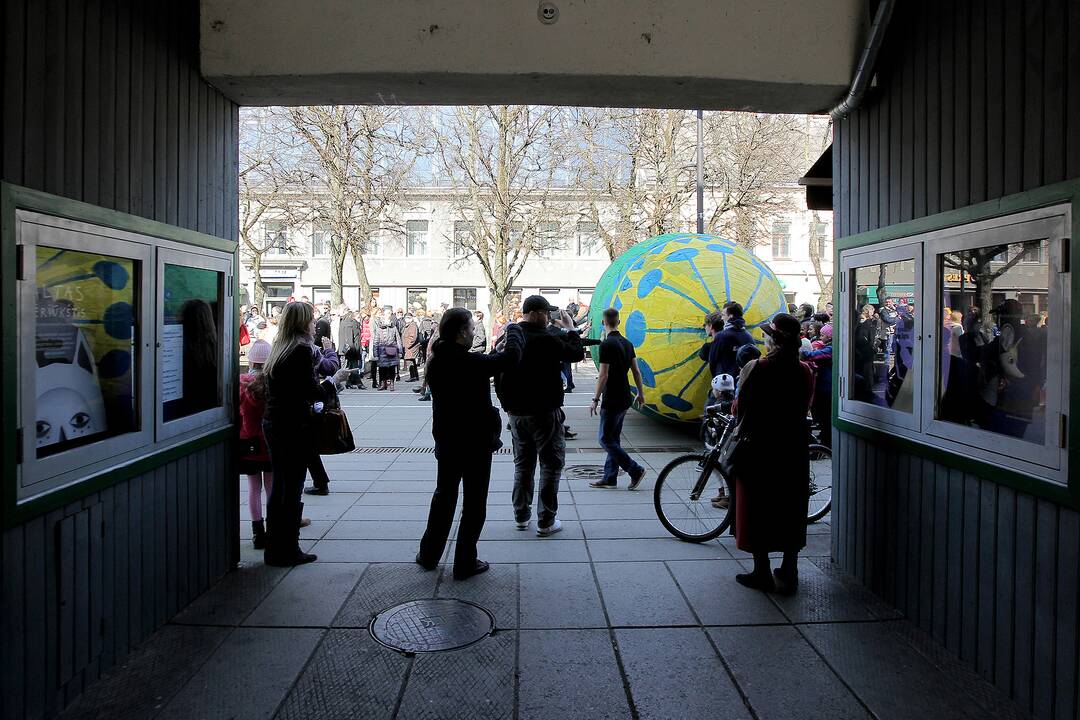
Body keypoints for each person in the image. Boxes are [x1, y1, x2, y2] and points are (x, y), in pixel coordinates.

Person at [416, 309, 525, 579]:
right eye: (471, 327)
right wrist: (513, 330)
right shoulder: (470, 362)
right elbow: (510, 358)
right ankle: (465, 561)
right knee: (474, 503)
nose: (474, 331)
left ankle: (429, 554)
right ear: (461, 332)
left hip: (447, 439)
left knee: (444, 496)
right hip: (475, 442)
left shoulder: (437, 360)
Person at [730, 313, 813, 594]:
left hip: (760, 448)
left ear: (773, 341)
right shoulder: (804, 370)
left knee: (757, 506)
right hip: (793, 448)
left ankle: (762, 571)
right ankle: (790, 568)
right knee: (791, 507)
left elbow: (742, 409)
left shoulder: (757, 368)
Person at [261, 301, 349, 566]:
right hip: (293, 426)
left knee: (280, 487)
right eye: (311, 319)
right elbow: (312, 391)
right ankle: (287, 549)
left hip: (275, 423)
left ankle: (275, 547)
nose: (314, 323)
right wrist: (336, 379)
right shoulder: (299, 351)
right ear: (303, 323)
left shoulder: (280, 348)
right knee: (291, 487)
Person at [496, 296, 584, 536]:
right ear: (534, 313)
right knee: (551, 464)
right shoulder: (546, 339)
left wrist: (507, 406)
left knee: (522, 465)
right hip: (544, 413)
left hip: (517, 414)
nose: (548, 318)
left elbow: (499, 376)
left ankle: (521, 516)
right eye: (546, 313)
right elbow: (576, 353)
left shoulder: (511, 337)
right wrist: (571, 328)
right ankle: (546, 520)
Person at [587, 308, 647, 490]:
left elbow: (603, 375)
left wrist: (595, 398)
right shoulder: (628, 344)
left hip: (612, 397)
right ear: (619, 322)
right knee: (614, 438)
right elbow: (636, 371)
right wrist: (641, 393)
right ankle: (610, 477)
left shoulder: (606, 345)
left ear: (604, 323)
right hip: (625, 396)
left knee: (605, 439)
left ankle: (634, 469)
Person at [239, 339, 273, 550]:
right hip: (268, 441)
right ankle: (273, 527)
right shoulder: (272, 385)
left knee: (253, 487)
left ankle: (257, 530)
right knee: (271, 486)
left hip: (248, 441)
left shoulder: (242, 384)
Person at [699, 302, 754, 382]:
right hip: (744, 382)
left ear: (730, 316)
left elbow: (713, 363)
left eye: (723, 315)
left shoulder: (722, 337)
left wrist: (717, 384)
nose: (722, 318)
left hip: (725, 383)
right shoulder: (748, 336)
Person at [801, 322, 833, 447]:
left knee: (825, 415)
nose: (820, 337)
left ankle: (826, 443)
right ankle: (825, 437)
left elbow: (815, 356)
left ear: (829, 337)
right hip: (824, 384)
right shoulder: (827, 346)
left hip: (827, 386)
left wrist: (804, 353)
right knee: (823, 414)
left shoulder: (830, 349)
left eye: (822, 335)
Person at [374, 306, 403, 391]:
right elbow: (376, 341)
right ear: (384, 314)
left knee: (391, 368)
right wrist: (375, 353)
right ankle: (383, 384)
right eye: (388, 313)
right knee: (382, 369)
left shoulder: (393, 327)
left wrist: (400, 351)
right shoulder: (379, 327)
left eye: (390, 313)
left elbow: (398, 339)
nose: (389, 315)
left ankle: (392, 384)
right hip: (382, 351)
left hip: (392, 350)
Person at [402, 313, 422, 382]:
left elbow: (413, 337)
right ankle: (415, 376)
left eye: (408, 318)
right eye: (406, 318)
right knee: (412, 361)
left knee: (410, 362)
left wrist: (407, 345)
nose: (406, 319)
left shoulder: (412, 325)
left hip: (411, 347)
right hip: (410, 347)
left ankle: (413, 376)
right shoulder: (409, 325)